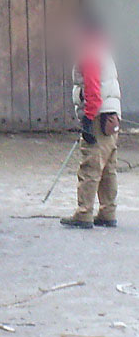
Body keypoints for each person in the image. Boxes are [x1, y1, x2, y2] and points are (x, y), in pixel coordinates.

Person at [60, 14, 121, 229]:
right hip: (111, 116)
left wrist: (87, 117)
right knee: (108, 168)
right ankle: (108, 211)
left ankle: (84, 213)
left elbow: (93, 90)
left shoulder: (89, 53)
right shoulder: (104, 51)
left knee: (90, 166)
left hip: (97, 116)